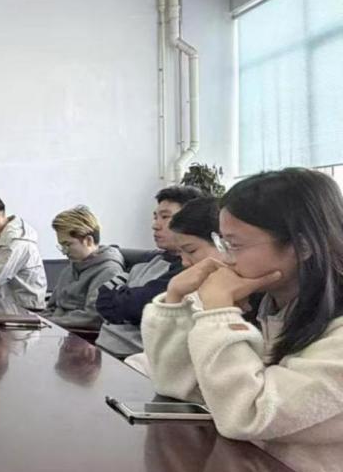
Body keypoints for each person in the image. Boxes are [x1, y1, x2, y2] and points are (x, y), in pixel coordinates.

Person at [142, 168, 343, 443]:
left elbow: (248, 416)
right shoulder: (271, 308)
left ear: (302, 246)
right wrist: (175, 298)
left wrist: (219, 313)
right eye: (222, 243)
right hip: (253, 466)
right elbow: (180, 386)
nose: (226, 260)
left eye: (234, 245)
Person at [94, 185, 203, 357]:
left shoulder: (185, 268)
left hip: (133, 358)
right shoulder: (150, 260)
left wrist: (122, 298)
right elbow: (102, 298)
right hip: (103, 349)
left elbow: (139, 308)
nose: (155, 225)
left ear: (189, 220)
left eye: (165, 217)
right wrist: (124, 302)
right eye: (155, 217)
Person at [43, 206, 124, 330]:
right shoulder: (70, 269)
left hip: (79, 336)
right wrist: (35, 320)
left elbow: (92, 318)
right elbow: (51, 308)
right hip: (57, 330)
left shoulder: (109, 272)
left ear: (88, 241)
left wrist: (46, 322)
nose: (64, 251)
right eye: (61, 246)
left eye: (67, 244)